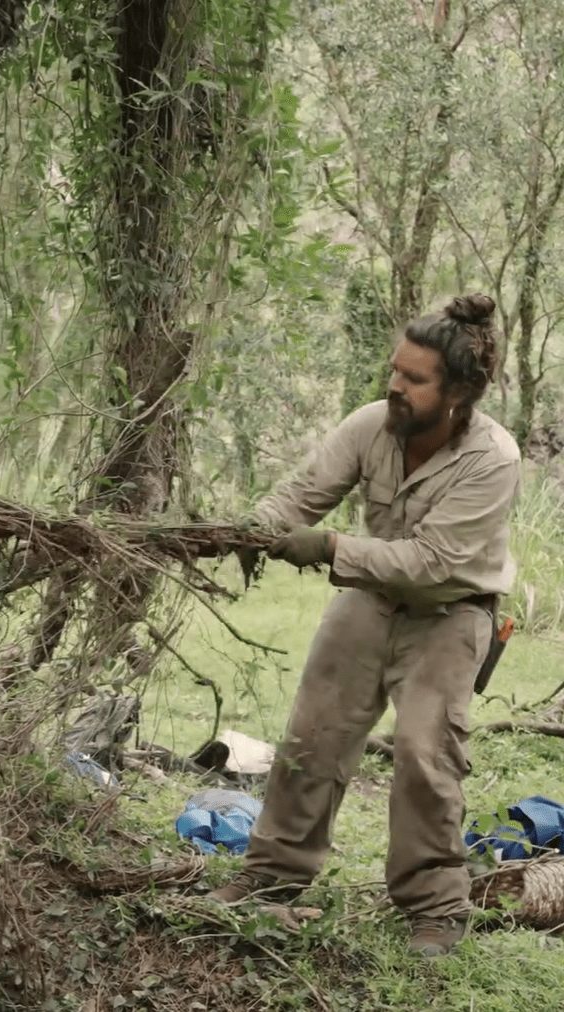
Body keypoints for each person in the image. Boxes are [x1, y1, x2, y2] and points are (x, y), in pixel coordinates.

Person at [211, 293, 520, 958]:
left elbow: (430, 561)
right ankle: (273, 876)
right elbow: (300, 493)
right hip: (369, 597)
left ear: (459, 391)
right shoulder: (372, 424)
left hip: (451, 609)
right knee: (313, 733)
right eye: (394, 370)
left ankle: (435, 906)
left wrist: (327, 549)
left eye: (414, 378)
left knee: (422, 751)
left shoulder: (495, 459)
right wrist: (254, 527)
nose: (395, 386)